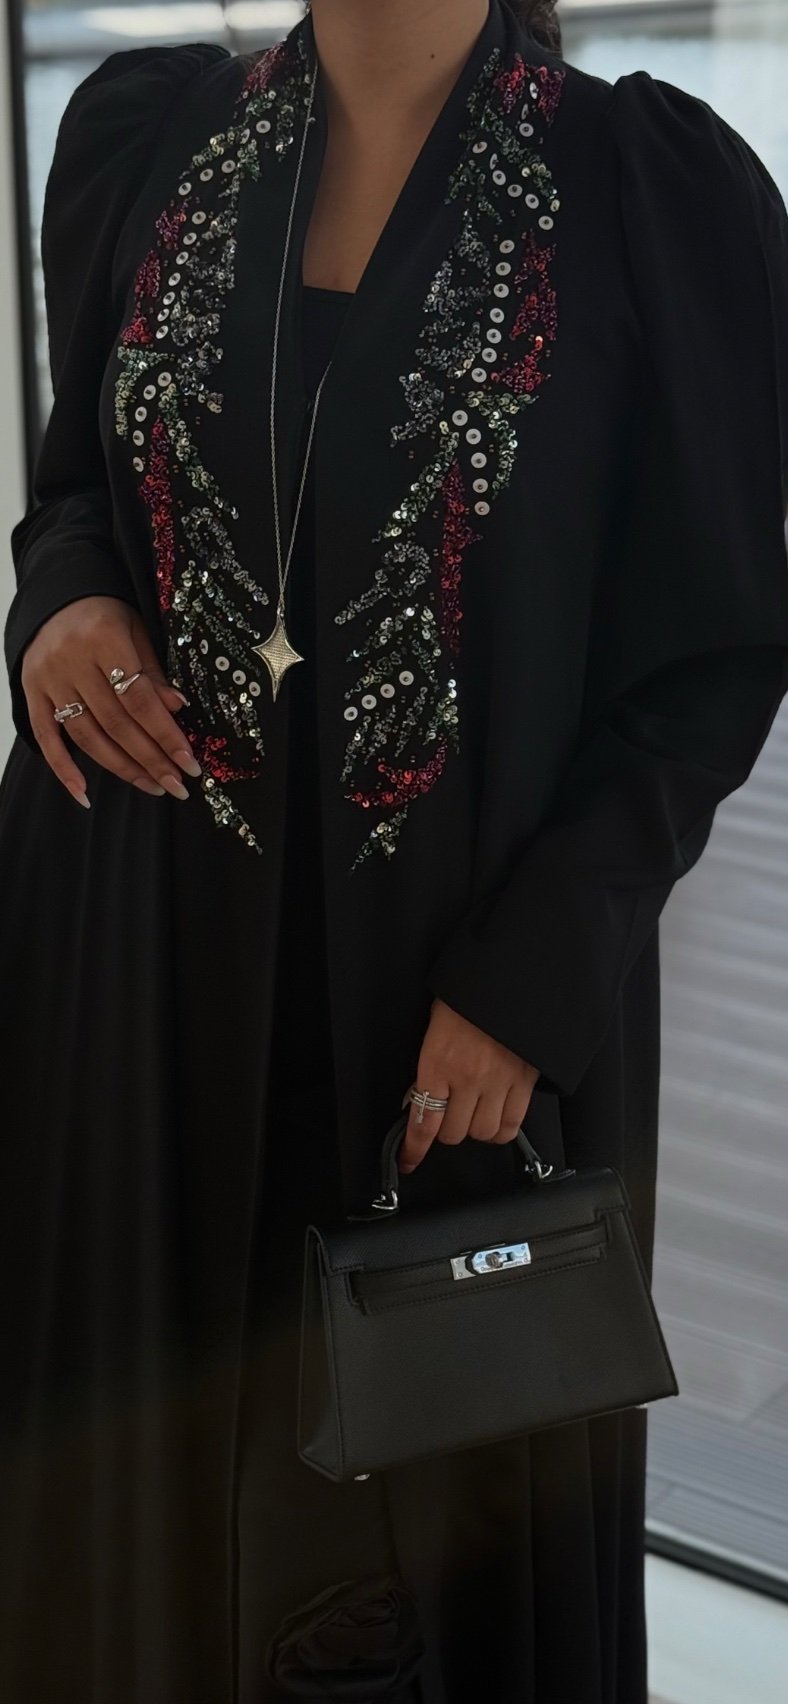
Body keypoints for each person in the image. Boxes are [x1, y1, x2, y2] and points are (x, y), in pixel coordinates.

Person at [1, 0, 787, 1698]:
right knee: (129, 1519)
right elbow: (77, 496)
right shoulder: (145, 139)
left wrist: (535, 983)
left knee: (431, 1565)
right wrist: (57, 602)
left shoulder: (647, 192)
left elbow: (713, 660)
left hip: (462, 1006)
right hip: (133, 970)